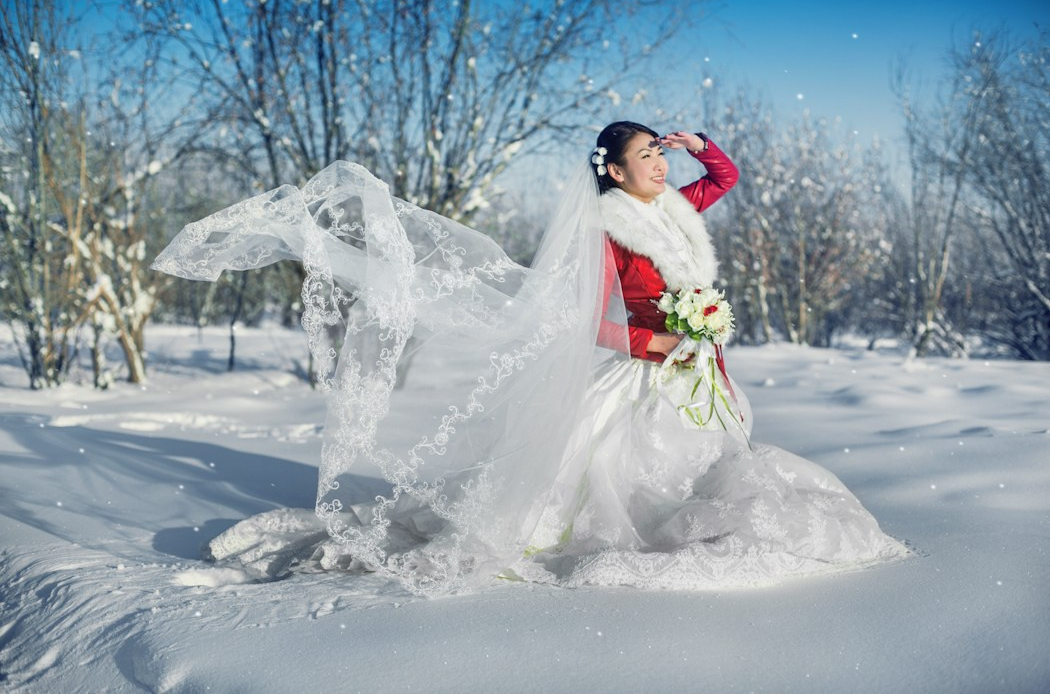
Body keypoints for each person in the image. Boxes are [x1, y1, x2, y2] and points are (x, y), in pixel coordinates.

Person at [153, 121, 907, 595]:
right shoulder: (611, 233)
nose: (659, 165)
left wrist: (694, 146)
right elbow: (585, 323)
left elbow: (725, 180)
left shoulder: (677, 212)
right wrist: (657, 339)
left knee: (715, 464)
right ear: (610, 171)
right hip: (650, 372)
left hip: (702, 374)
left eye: (659, 155)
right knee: (617, 486)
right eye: (645, 155)